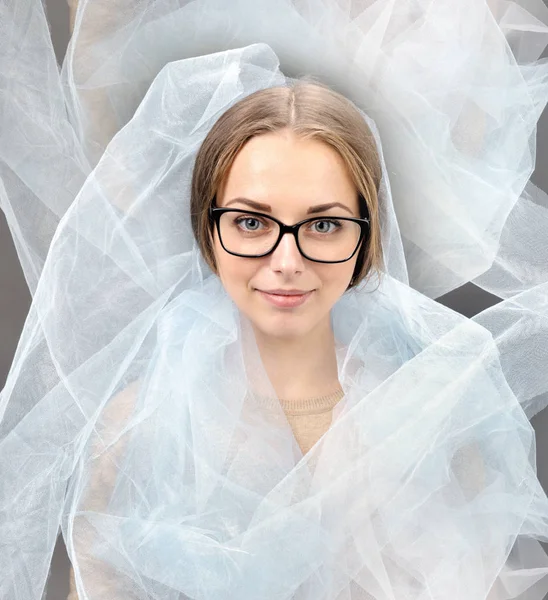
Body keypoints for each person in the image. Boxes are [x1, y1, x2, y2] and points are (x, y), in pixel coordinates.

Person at [2, 2, 548, 599]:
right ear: (207, 229)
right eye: (252, 223)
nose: (286, 262)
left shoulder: (439, 415)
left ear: (367, 235)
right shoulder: (136, 431)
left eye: (323, 226)